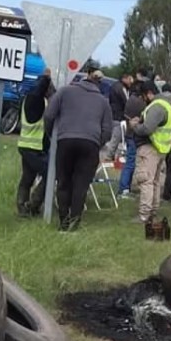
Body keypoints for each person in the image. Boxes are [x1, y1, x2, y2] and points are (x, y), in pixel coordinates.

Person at [44, 67, 112, 231]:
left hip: (65, 140)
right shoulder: (103, 101)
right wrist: (97, 142)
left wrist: (52, 135)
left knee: (63, 181)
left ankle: (63, 222)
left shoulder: (64, 91)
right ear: (98, 84)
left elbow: (49, 115)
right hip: (90, 144)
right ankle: (74, 223)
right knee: (81, 184)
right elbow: (108, 130)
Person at [130, 82, 171, 225]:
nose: (143, 100)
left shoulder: (157, 106)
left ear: (149, 93)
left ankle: (144, 215)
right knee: (154, 182)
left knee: (146, 181)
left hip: (150, 148)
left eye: (143, 96)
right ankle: (152, 212)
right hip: (160, 149)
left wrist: (135, 125)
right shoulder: (168, 105)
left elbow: (147, 129)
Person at [16, 70, 55, 217]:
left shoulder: (28, 100)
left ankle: (22, 207)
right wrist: (47, 77)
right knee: (51, 174)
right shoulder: (35, 100)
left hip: (26, 145)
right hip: (34, 147)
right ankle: (33, 204)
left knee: (27, 177)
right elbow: (39, 92)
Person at [117, 82, 152, 198]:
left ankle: (125, 187)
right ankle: (124, 189)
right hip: (134, 135)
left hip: (129, 133)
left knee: (130, 161)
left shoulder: (131, 99)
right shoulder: (141, 104)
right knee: (130, 163)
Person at [102, 73, 134, 162]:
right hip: (119, 116)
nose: (131, 82)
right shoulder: (121, 88)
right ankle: (108, 156)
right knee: (116, 138)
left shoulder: (115, 86)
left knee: (115, 137)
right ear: (125, 78)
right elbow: (127, 101)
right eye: (129, 79)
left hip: (114, 114)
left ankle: (110, 156)